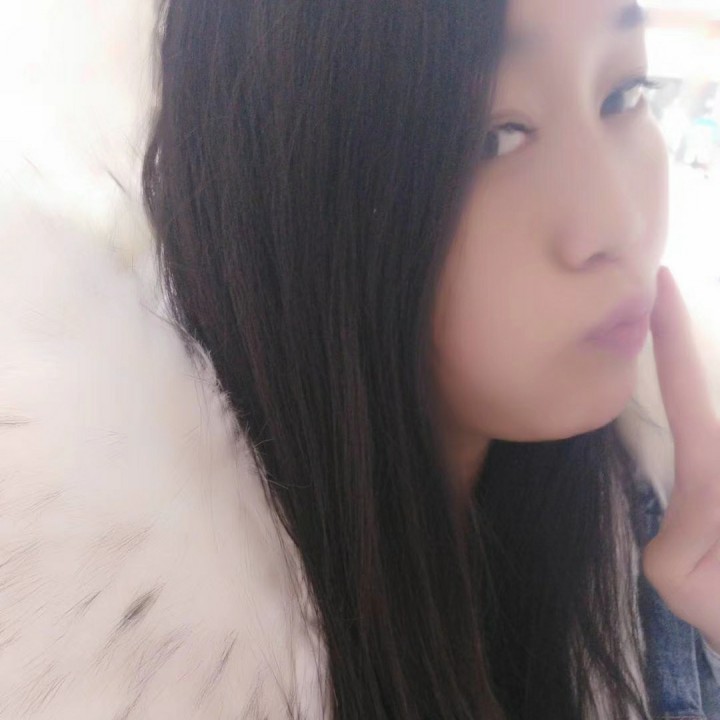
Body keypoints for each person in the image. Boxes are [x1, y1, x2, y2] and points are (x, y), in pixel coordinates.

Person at [1, 0, 720, 718]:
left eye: (624, 94)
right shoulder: (112, 662)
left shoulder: (654, 527)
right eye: (495, 137)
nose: (619, 222)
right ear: (294, 185)